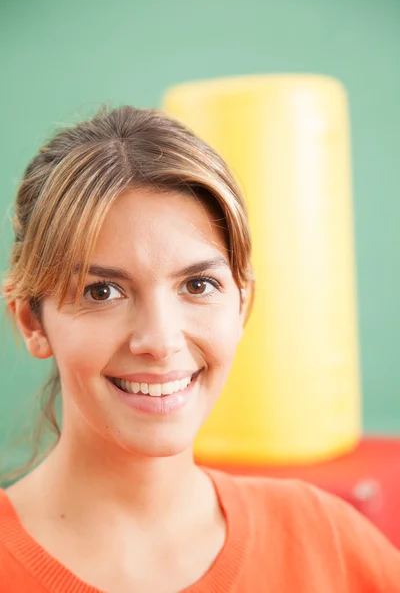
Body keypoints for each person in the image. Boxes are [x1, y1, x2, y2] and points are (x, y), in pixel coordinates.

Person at [0, 105, 399, 593]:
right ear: (30, 321)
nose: (161, 341)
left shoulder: (330, 543)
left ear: (242, 306)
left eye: (198, 285)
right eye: (101, 291)